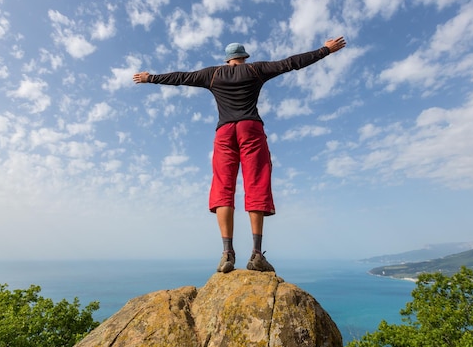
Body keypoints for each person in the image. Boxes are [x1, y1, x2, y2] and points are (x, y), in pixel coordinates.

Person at [133, 36, 346, 273]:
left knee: (223, 187)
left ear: (227, 60)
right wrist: (325, 50)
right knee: (256, 183)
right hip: (250, 129)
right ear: (243, 58)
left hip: (224, 132)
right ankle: (256, 255)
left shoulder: (212, 74)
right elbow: (291, 62)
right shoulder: (256, 69)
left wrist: (150, 78)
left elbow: (181, 77)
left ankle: (227, 254)